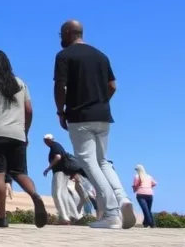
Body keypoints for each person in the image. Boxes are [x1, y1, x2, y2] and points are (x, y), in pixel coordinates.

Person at [53, 20, 136, 230]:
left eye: (61, 33)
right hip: (103, 116)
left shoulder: (64, 56)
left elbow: (60, 86)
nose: (60, 37)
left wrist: (60, 111)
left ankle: (110, 213)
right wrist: (100, 102)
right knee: (103, 161)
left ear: (70, 32)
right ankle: (123, 198)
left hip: (80, 115)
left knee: (88, 162)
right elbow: (112, 86)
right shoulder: (101, 55)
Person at [0, 49, 47, 228]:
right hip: (17, 134)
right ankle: (35, 196)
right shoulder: (21, 83)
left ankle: (1, 217)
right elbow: (29, 110)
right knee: (19, 172)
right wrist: (26, 132)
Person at [42, 134, 82, 223]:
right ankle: (73, 215)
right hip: (65, 172)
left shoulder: (54, 146)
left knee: (56, 193)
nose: (45, 142)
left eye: (45, 140)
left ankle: (64, 217)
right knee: (65, 194)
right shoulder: (57, 145)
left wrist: (49, 168)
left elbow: (58, 157)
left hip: (59, 171)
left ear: (49, 140)